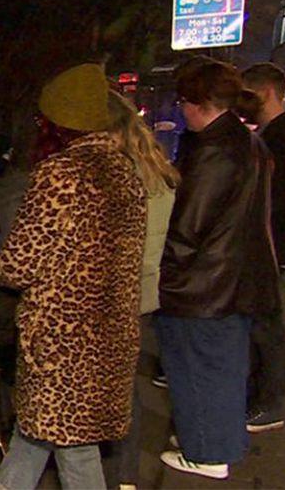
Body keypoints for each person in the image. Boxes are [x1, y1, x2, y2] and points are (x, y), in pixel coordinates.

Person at [0, 64, 147, 489]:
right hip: (108, 335)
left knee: (71, 446)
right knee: (38, 433)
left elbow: (17, 264)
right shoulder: (126, 173)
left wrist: (1, 263)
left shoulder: (59, 175)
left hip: (61, 340)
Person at [156, 57, 278, 479]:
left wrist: (164, 275)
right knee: (223, 370)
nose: (180, 111)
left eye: (183, 102)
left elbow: (189, 227)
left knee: (197, 370)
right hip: (236, 280)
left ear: (197, 103)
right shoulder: (248, 142)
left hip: (204, 285)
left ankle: (206, 452)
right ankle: (217, 440)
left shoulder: (213, 150)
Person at [101, 90, 179, 490]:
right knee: (124, 384)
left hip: (113, 293)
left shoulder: (117, 174)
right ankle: (126, 476)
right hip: (143, 293)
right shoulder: (155, 168)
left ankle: (114, 474)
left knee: (107, 389)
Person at [241, 62, 285, 433]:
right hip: (270, 244)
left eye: (248, 95)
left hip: (271, 246)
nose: (244, 103)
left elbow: (277, 198)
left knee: (266, 327)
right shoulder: (279, 133)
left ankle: (269, 403)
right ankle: (260, 397)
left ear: (266, 92)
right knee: (260, 325)